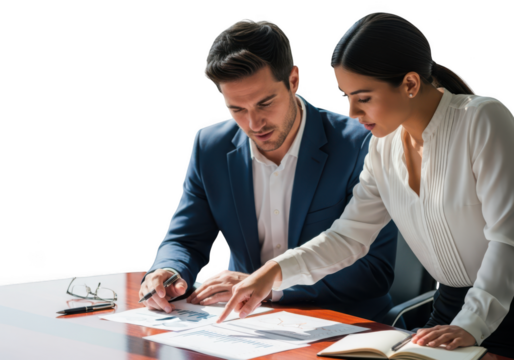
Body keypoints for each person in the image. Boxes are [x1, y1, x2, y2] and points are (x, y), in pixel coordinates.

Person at [217, 12, 514, 358]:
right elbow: (349, 237)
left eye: (364, 97)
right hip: (449, 312)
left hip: (499, 309)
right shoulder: (383, 146)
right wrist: (271, 273)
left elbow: (507, 237)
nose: (353, 112)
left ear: (410, 84)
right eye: (347, 96)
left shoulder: (483, 119)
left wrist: (472, 324)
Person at [139, 18, 400, 323]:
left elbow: (373, 271)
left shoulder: (363, 144)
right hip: (246, 326)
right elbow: (185, 239)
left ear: (293, 80)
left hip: (345, 325)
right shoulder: (211, 147)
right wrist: (167, 272)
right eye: (237, 109)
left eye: (265, 104)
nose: (254, 123)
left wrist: (271, 288)